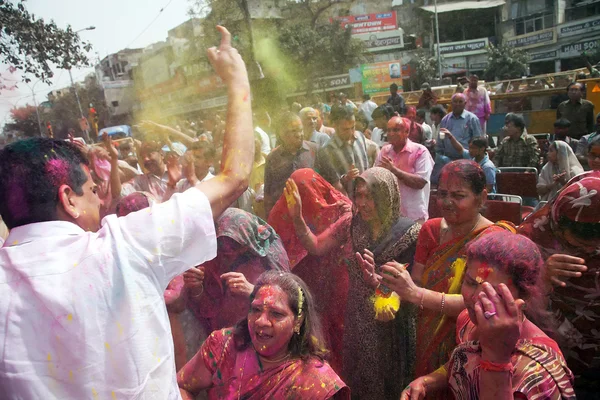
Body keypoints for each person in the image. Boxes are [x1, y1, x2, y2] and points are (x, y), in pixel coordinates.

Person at [0, 26, 255, 399]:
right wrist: (237, 82)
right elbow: (234, 177)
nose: (103, 199)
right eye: (91, 189)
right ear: (68, 199)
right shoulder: (123, 246)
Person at [369, 160, 516, 381]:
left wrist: (416, 294)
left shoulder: (493, 241)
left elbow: (481, 304)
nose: (447, 202)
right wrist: (393, 292)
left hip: (470, 342)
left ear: (482, 198)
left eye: (458, 196)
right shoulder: (431, 229)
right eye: (442, 193)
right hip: (426, 335)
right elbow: (417, 281)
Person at [283, 167, 422, 399]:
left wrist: (379, 283)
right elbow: (316, 246)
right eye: (359, 195)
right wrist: (297, 217)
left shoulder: (409, 233)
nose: (363, 202)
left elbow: (414, 287)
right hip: (357, 319)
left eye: (371, 196)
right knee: (358, 379)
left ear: (388, 196)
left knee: (389, 381)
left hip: (391, 323)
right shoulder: (351, 223)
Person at [399, 231, 576, 400]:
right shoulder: (467, 323)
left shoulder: (538, 372)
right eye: (470, 283)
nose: (476, 298)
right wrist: (427, 382)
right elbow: (463, 363)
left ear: (524, 297)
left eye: (493, 292)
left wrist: (497, 360)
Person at [177, 271, 350, 400]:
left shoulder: (315, 382)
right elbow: (180, 387)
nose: (261, 321)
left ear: (298, 321)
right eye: (256, 310)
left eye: (276, 314)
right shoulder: (223, 345)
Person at [517, 172, 600, 398]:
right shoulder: (533, 236)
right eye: (573, 243)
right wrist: (541, 275)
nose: (585, 251)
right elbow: (510, 290)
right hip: (553, 359)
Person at [268, 169, 353, 372]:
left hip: (336, 292)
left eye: (314, 193)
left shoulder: (341, 211)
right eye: (306, 196)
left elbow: (317, 245)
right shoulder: (283, 214)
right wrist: (296, 216)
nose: (314, 201)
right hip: (301, 296)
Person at [185, 208, 290, 335]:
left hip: (263, 334)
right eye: (222, 246)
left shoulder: (270, 257)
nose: (228, 255)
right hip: (224, 337)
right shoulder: (213, 258)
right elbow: (205, 307)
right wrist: (196, 287)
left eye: (235, 246)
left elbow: (289, 302)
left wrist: (253, 291)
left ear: (248, 240)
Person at [375, 116, 433, 223]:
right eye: (389, 130)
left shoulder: (420, 151)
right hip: (390, 216)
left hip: (414, 216)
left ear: (407, 132)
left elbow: (420, 183)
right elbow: (375, 178)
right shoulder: (384, 151)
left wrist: (394, 170)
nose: (391, 133)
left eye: (396, 130)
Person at [264, 112, 318, 218]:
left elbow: (330, 182)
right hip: (285, 217)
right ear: (282, 133)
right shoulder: (273, 158)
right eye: (293, 131)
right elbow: (268, 195)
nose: (299, 134)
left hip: (312, 214)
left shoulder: (314, 150)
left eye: (300, 130)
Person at [316, 105, 369, 195]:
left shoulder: (360, 137)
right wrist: (347, 178)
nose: (351, 132)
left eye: (353, 127)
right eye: (345, 129)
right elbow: (335, 184)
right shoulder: (327, 151)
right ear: (334, 125)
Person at [436, 93, 482, 162]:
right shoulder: (445, 120)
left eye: (460, 102)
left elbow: (478, 141)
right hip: (449, 160)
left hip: (466, 159)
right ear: (451, 103)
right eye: (455, 102)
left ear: (465, 103)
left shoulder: (472, 119)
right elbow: (440, 142)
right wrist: (441, 157)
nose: (457, 104)